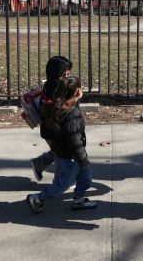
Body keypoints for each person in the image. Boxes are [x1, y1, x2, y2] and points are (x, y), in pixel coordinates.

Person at [26, 76, 98, 213]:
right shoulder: (72, 113)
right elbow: (75, 140)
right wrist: (82, 158)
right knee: (63, 184)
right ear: (78, 92)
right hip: (71, 155)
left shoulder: (57, 106)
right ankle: (37, 198)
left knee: (86, 178)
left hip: (68, 152)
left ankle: (79, 200)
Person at [29, 56, 73, 181]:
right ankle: (60, 182)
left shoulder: (56, 86)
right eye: (64, 75)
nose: (67, 78)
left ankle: (40, 163)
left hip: (58, 129)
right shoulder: (53, 89)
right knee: (61, 155)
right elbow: (58, 109)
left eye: (69, 74)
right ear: (55, 74)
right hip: (53, 130)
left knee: (61, 150)